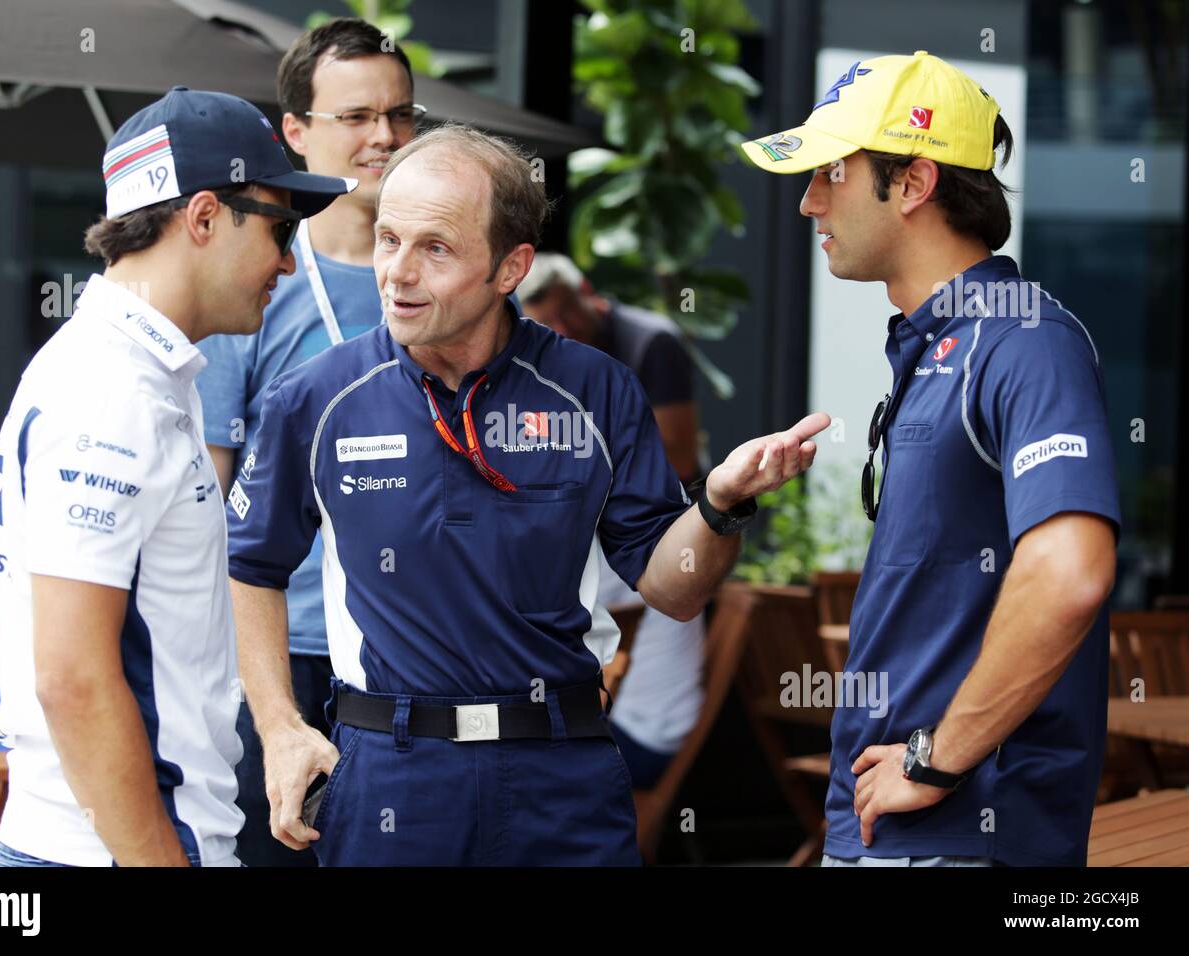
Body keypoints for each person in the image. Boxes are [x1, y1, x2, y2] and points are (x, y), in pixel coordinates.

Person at [225, 123, 829, 866]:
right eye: (389, 240)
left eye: (435, 249)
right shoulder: (316, 398)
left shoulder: (597, 390)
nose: (397, 274)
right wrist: (280, 727)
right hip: (393, 773)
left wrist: (720, 503)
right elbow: (249, 566)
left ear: (511, 267)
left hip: (560, 772)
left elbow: (673, 592)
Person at [745, 50, 1120, 867]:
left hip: (961, 834)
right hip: (902, 830)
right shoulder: (948, 339)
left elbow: (1069, 573)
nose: (809, 201)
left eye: (831, 173)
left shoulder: (1022, 339)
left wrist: (937, 758)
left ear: (912, 184)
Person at [0, 87, 352, 866]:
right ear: (205, 217)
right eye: (282, 228)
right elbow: (72, 678)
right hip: (113, 846)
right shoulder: (111, 389)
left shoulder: (142, 370)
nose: (289, 261)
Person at [197, 17, 419, 868]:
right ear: (295, 132)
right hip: (286, 658)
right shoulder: (259, 281)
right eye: (356, 116)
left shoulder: (449, 282)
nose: (385, 137)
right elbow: (208, 504)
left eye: (400, 115)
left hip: (417, 658)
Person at [517, 253, 704, 791]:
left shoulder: (649, 342)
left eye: (568, 315)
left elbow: (681, 459)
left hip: (663, 531)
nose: (563, 332)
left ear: (586, 289)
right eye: (548, 325)